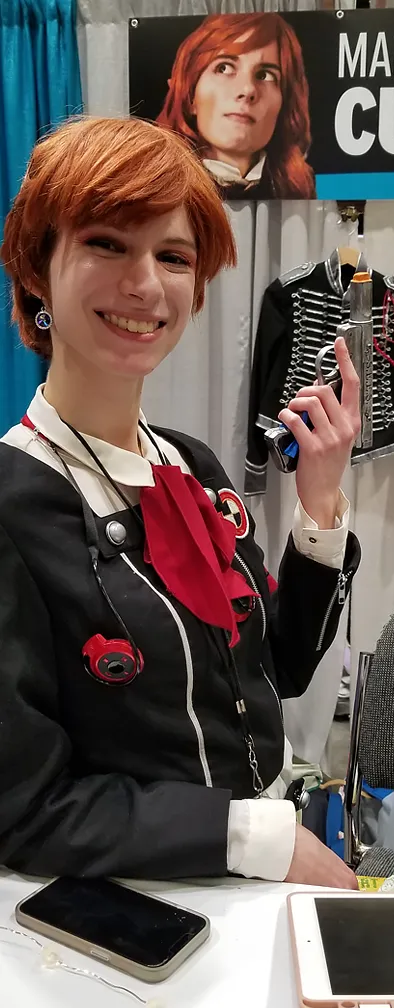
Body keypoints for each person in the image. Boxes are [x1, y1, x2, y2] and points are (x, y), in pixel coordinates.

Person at [0, 115, 360, 887]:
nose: (144, 284)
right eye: (106, 244)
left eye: (173, 256)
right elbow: (24, 810)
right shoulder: (12, 502)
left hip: (253, 873)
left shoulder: (189, 465)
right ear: (36, 271)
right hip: (126, 903)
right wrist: (257, 839)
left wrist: (320, 502)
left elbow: (278, 667)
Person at [157, 13, 316, 200]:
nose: (247, 90)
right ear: (190, 95)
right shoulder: (157, 188)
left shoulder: (302, 191)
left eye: (265, 75)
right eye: (224, 68)